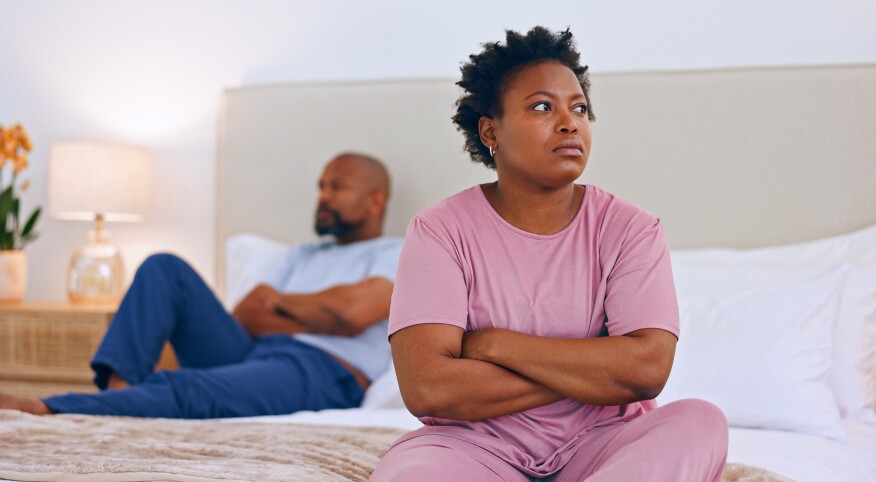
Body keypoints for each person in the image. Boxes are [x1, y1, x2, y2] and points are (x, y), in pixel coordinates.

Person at [370, 27, 728, 481]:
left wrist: (497, 345)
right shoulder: (439, 231)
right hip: (473, 448)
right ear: (490, 131)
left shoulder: (631, 229)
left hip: (604, 445)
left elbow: (646, 369)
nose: (569, 122)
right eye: (542, 106)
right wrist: (595, 366)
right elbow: (428, 387)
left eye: (579, 108)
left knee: (699, 421)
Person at [0, 153, 402, 419]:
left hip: (324, 371)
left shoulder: (397, 251)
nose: (323, 196)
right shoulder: (303, 255)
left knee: (194, 387)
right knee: (164, 266)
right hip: (251, 351)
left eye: (338, 187)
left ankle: (52, 408)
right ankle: (119, 396)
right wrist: (322, 312)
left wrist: (280, 303)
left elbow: (353, 314)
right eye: (321, 186)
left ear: (374, 201)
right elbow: (248, 315)